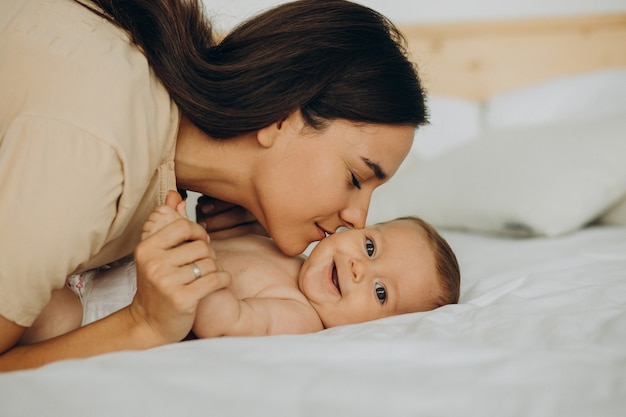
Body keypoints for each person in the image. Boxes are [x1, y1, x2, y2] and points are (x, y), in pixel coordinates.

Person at [0, 0, 427, 370]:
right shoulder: (97, 151)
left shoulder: (157, 145)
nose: (359, 219)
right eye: (356, 177)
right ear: (281, 118)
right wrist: (141, 325)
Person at [20, 197, 460, 344]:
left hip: (94, 310)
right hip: (100, 264)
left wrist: (190, 250)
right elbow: (239, 250)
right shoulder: (291, 254)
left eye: (382, 294)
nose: (360, 269)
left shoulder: (300, 316)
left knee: (31, 306)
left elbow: (223, 322)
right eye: (369, 246)